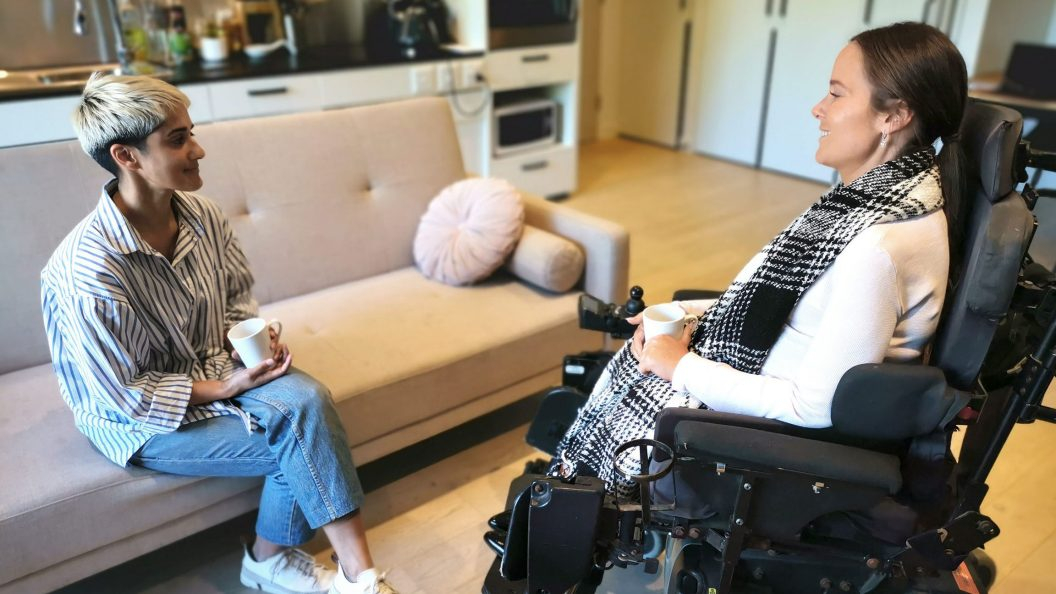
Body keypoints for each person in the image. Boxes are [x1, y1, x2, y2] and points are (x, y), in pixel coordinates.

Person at [555, 21, 968, 499]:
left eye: (836, 94)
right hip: (759, 382)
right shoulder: (877, 201)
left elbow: (815, 406)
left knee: (607, 431)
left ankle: (572, 500)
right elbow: (793, 310)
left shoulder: (880, 246)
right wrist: (687, 313)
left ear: (893, 116)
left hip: (768, 439)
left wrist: (681, 367)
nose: (819, 108)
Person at [40, 73, 397, 594]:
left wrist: (247, 340)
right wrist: (226, 387)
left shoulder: (204, 216)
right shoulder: (89, 271)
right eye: (177, 140)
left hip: (217, 366)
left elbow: (236, 298)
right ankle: (335, 576)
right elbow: (126, 394)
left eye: (192, 132)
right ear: (127, 156)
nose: (198, 150)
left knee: (310, 404)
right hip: (140, 419)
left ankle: (338, 574)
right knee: (304, 445)